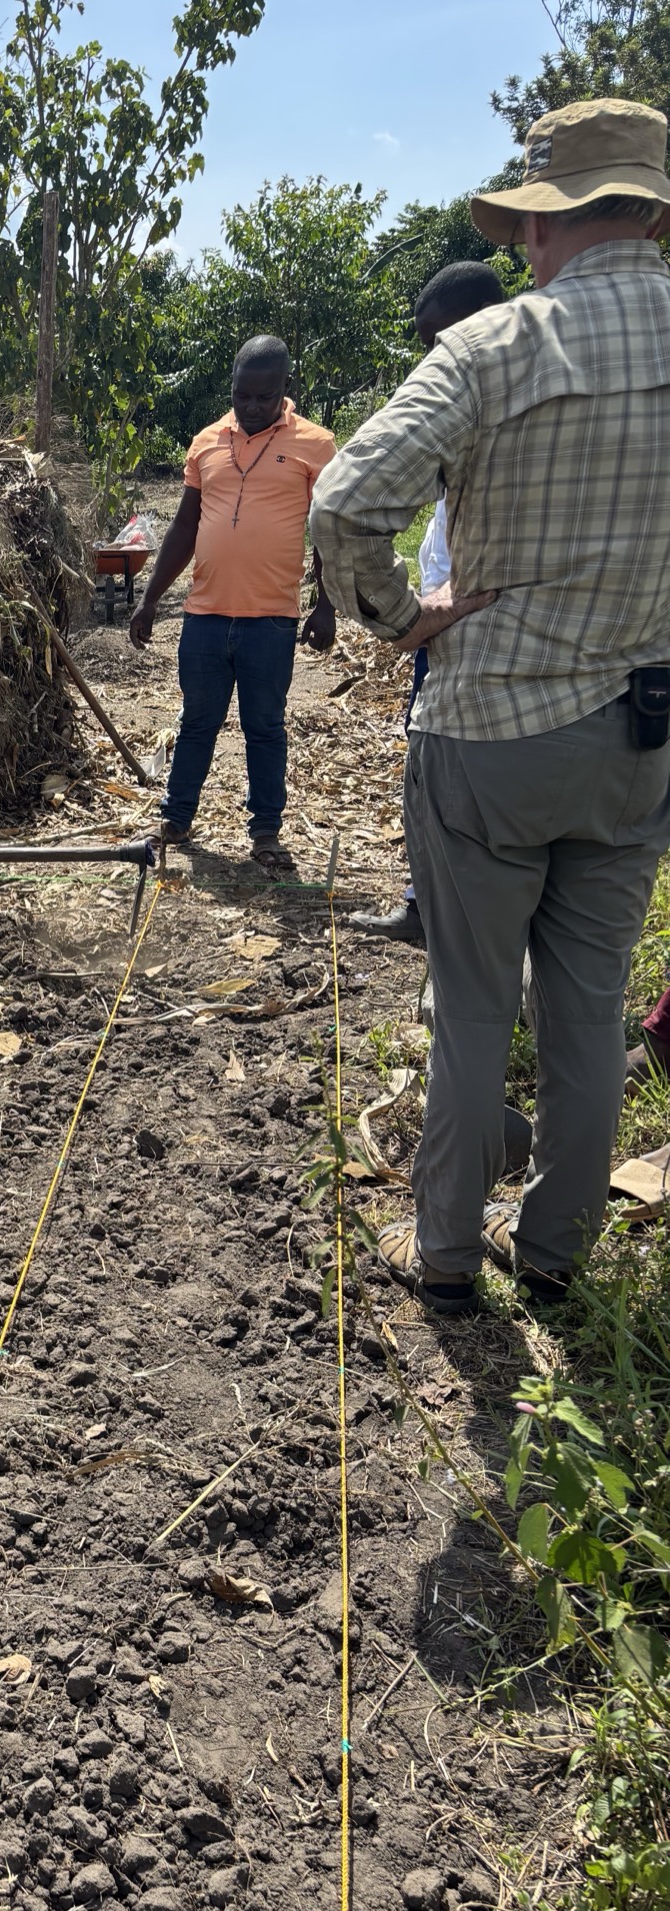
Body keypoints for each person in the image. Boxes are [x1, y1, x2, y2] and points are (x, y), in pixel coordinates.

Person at [309, 97, 670, 1312]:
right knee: (590, 1009)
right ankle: (555, 1255)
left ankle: (449, 1257)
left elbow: (345, 505)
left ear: (540, 226)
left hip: (493, 734)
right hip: (640, 736)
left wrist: (401, 619)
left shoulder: (495, 346)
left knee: (471, 1009)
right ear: (652, 213)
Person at [130, 337, 337, 869]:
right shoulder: (206, 442)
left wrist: (326, 604)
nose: (251, 407)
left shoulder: (316, 445)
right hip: (204, 615)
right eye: (241, 395)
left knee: (264, 727)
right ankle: (176, 819)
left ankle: (265, 831)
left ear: (286, 388)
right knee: (197, 720)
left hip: (271, 619)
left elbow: (327, 533)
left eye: (264, 397)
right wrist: (150, 598)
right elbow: (185, 525)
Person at [352, 262, 508, 946]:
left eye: (442, 339)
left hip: (481, 637)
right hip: (440, 631)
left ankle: (466, 922)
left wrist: (401, 617)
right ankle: (425, 902)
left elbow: (347, 509)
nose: (434, 358)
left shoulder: (515, 406)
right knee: (425, 778)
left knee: (467, 786)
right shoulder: (458, 404)